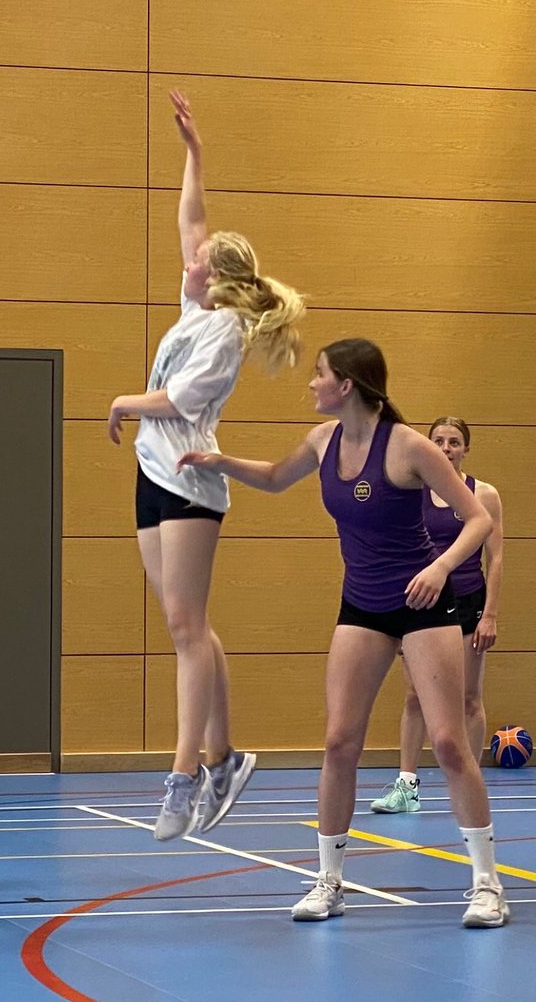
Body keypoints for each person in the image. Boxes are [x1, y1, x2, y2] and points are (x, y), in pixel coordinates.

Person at [179, 339, 507, 927]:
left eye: (320, 375)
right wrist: (219, 461)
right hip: (362, 605)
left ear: (348, 385)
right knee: (338, 743)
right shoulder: (323, 442)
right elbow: (278, 477)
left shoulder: (408, 446)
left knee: (451, 742)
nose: (311, 384)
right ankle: (328, 880)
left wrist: (438, 567)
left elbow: (478, 519)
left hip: (424, 605)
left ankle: (487, 885)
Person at [108, 91, 305, 840]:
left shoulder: (223, 329)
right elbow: (191, 218)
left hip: (193, 479)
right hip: (154, 479)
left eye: (198, 259)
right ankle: (225, 755)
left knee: (187, 631)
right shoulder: (197, 311)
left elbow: (180, 398)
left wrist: (125, 401)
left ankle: (185, 774)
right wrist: (194, 151)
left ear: (216, 279)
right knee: (184, 624)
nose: (187, 257)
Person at [372, 416, 504, 813]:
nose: (446, 448)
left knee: (467, 698)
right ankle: (406, 786)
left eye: (454, 442)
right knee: (414, 697)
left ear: (466, 448)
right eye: (439, 441)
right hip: (422, 607)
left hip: (467, 602)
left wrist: (490, 615)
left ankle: (469, 783)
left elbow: (495, 558)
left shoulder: (484, 494)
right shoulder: (411, 490)